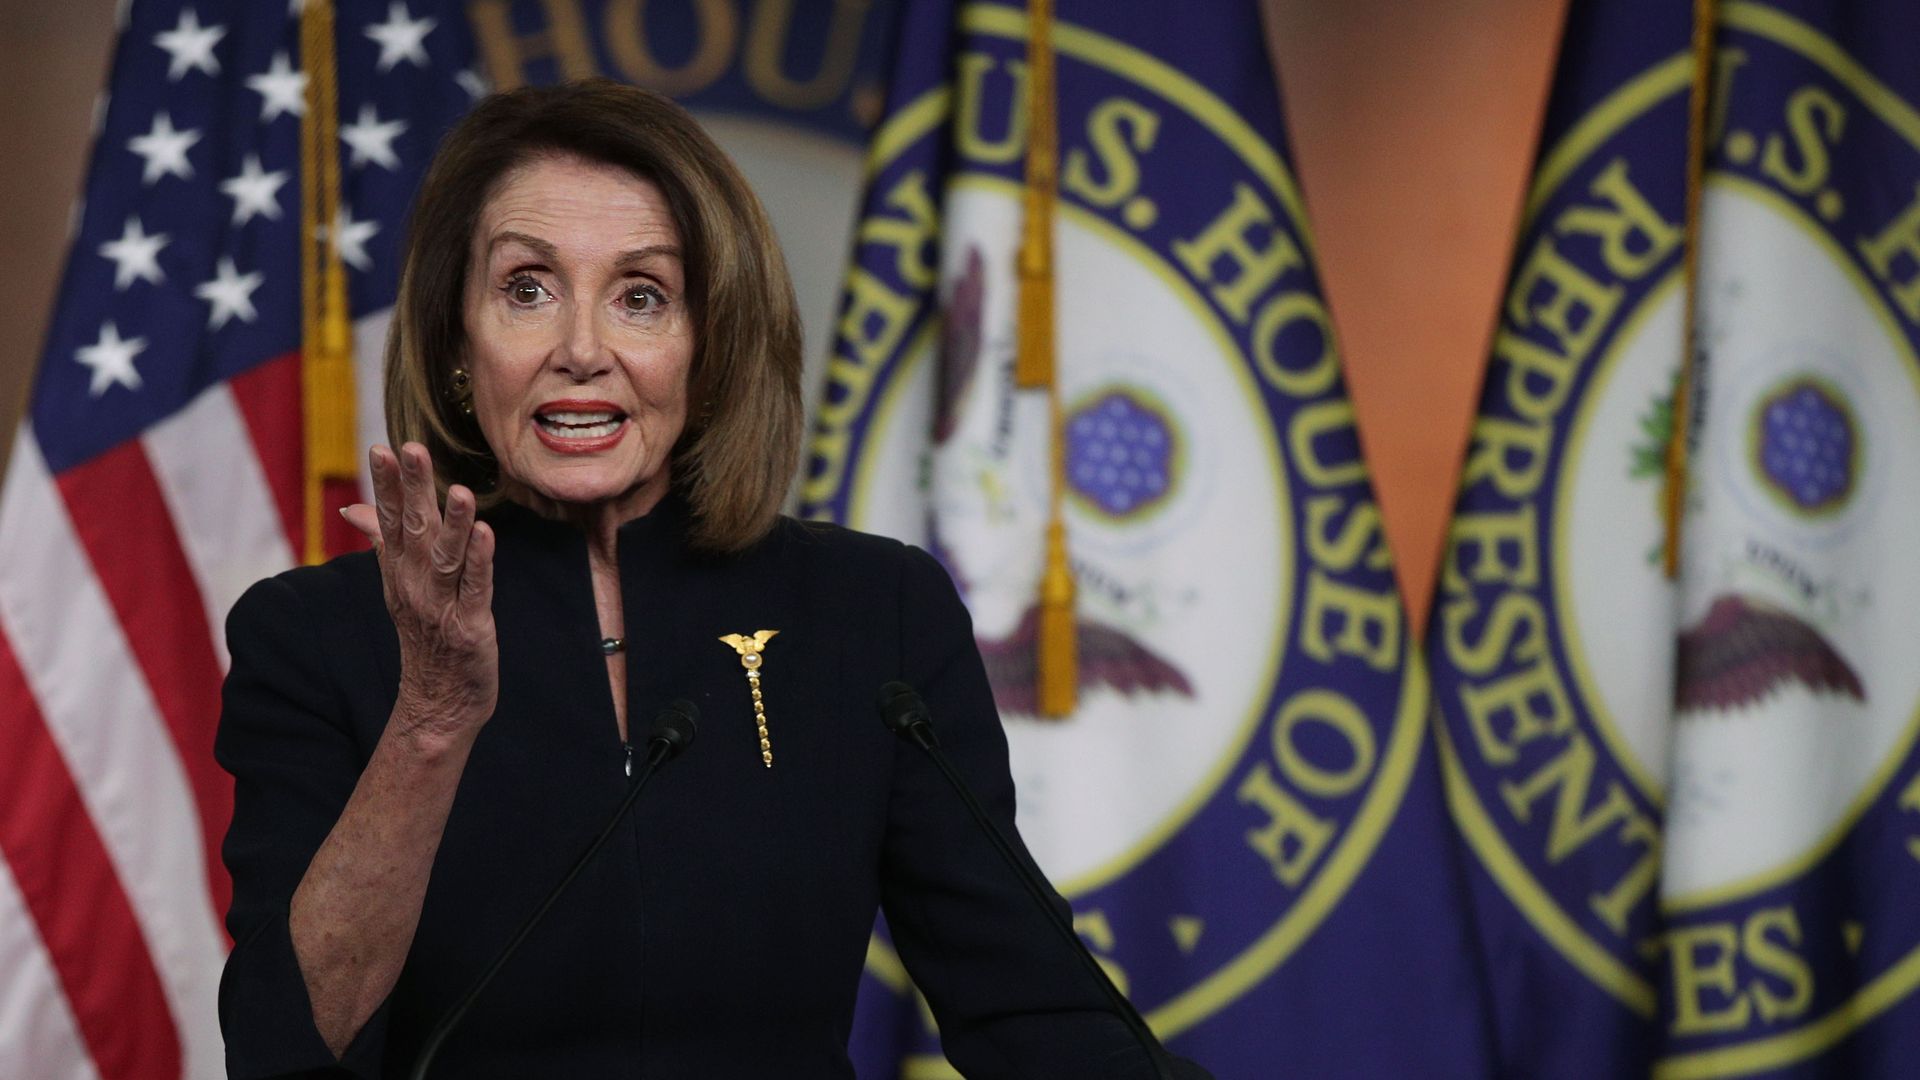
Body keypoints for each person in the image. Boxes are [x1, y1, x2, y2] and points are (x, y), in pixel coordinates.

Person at [216, 79, 1208, 1079]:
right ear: (456, 343)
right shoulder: (315, 637)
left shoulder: (875, 615)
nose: (582, 350)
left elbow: (1038, 1014)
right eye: (527, 289)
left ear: (711, 343)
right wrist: (428, 720)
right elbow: (284, 1048)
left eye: (641, 296)